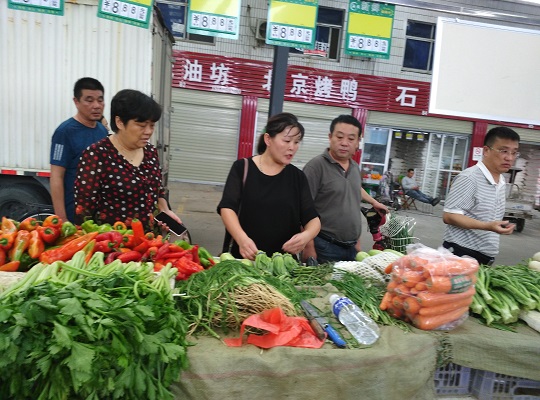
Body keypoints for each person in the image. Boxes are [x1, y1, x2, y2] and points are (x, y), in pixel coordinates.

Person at [217, 113, 321, 260]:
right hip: (244, 260)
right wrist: (242, 239)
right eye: (287, 141)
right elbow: (227, 208)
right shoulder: (242, 168)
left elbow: (313, 219)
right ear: (268, 139)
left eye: (297, 142)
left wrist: (306, 236)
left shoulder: (297, 177)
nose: (292, 147)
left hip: (282, 265)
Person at [74, 89, 181, 231]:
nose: (149, 131)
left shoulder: (150, 152)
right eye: (141, 125)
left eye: (152, 125)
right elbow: (83, 212)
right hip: (114, 241)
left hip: (150, 240)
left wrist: (165, 210)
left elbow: (157, 190)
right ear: (119, 122)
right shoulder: (97, 155)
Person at [303, 114, 388, 264]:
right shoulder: (315, 167)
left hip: (352, 247)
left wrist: (373, 202)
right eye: (340, 137)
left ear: (357, 142)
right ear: (330, 137)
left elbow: (353, 189)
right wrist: (308, 247)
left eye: (351, 139)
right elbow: (302, 209)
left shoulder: (354, 167)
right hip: (324, 246)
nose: (344, 143)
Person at [442, 126, 520, 265]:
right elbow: (449, 216)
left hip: (484, 255)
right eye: (504, 151)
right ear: (486, 151)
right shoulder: (469, 178)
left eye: (514, 153)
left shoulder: (501, 180)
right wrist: (488, 226)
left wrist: (497, 225)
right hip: (461, 254)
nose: (509, 158)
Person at [50, 77, 108, 222]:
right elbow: (56, 177)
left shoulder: (102, 131)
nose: (96, 106)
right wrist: (62, 219)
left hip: (99, 213)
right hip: (74, 212)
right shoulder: (64, 132)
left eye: (100, 100)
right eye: (89, 100)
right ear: (76, 102)